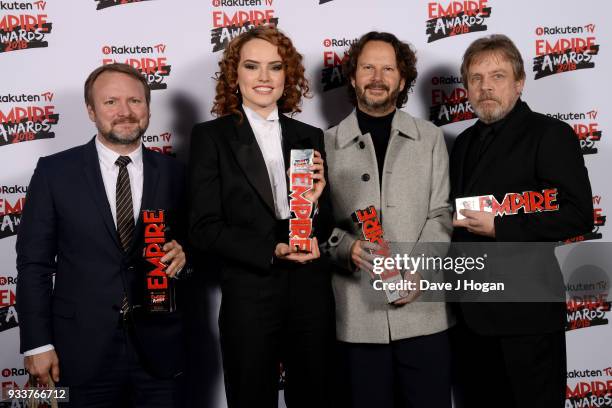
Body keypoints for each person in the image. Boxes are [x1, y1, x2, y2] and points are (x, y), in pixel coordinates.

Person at [16, 63, 188, 407]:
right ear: (91, 111)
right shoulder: (54, 173)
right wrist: (37, 345)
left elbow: (196, 240)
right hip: (78, 352)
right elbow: (34, 264)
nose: (124, 112)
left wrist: (188, 255)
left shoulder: (175, 172)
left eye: (135, 101)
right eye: (111, 102)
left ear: (148, 108)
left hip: (159, 350)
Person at [188, 26, 334, 408]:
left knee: (316, 397)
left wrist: (316, 203)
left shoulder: (310, 135)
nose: (264, 78)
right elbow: (203, 228)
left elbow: (326, 222)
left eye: (275, 67)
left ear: (289, 76)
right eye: (252, 67)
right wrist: (272, 249)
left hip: (310, 295)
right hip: (249, 296)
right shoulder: (211, 137)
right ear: (235, 75)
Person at [449, 34, 594, 407]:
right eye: (476, 79)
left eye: (497, 76)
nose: (486, 87)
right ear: (466, 88)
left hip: (526, 320)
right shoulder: (463, 143)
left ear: (519, 82)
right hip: (470, 317)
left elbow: (578, 215)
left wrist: (501, 226)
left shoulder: (551, 135)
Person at [322, 31, 453, 408]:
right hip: (356, 319)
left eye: (388, 68)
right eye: (367, 67)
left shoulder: (430, 138)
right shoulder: (324, 143)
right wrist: (346, 247)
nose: (377, 77)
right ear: (352, 76)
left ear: (402, 78)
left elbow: (441, 212)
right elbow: (314, 224)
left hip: (424, 315)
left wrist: (418, 269)